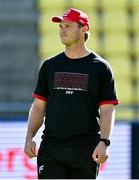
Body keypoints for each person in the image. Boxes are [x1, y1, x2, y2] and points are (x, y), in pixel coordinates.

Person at [24, 8, 119, 179]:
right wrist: (29, 137)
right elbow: (38, 106)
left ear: (84, 29)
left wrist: (104, 142)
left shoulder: (100, 68)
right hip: (51, 149)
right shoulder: (49, 66)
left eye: (68, 26)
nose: (62, 30)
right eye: (60, 26)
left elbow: (107, 109)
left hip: (85, 149)